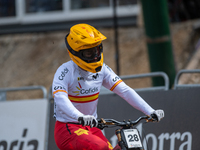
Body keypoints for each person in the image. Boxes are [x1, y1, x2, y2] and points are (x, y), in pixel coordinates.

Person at [52, 23, 164, 150]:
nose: (95, 55)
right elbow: (60, 97)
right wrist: (79, 116)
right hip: (68, 128)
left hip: (91, 127)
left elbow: (125, 90)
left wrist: (150, 111)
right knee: (101, 147)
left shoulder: (103, 70)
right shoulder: (65, 71)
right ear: (75, 52)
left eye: (97, 50)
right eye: (89, 52)